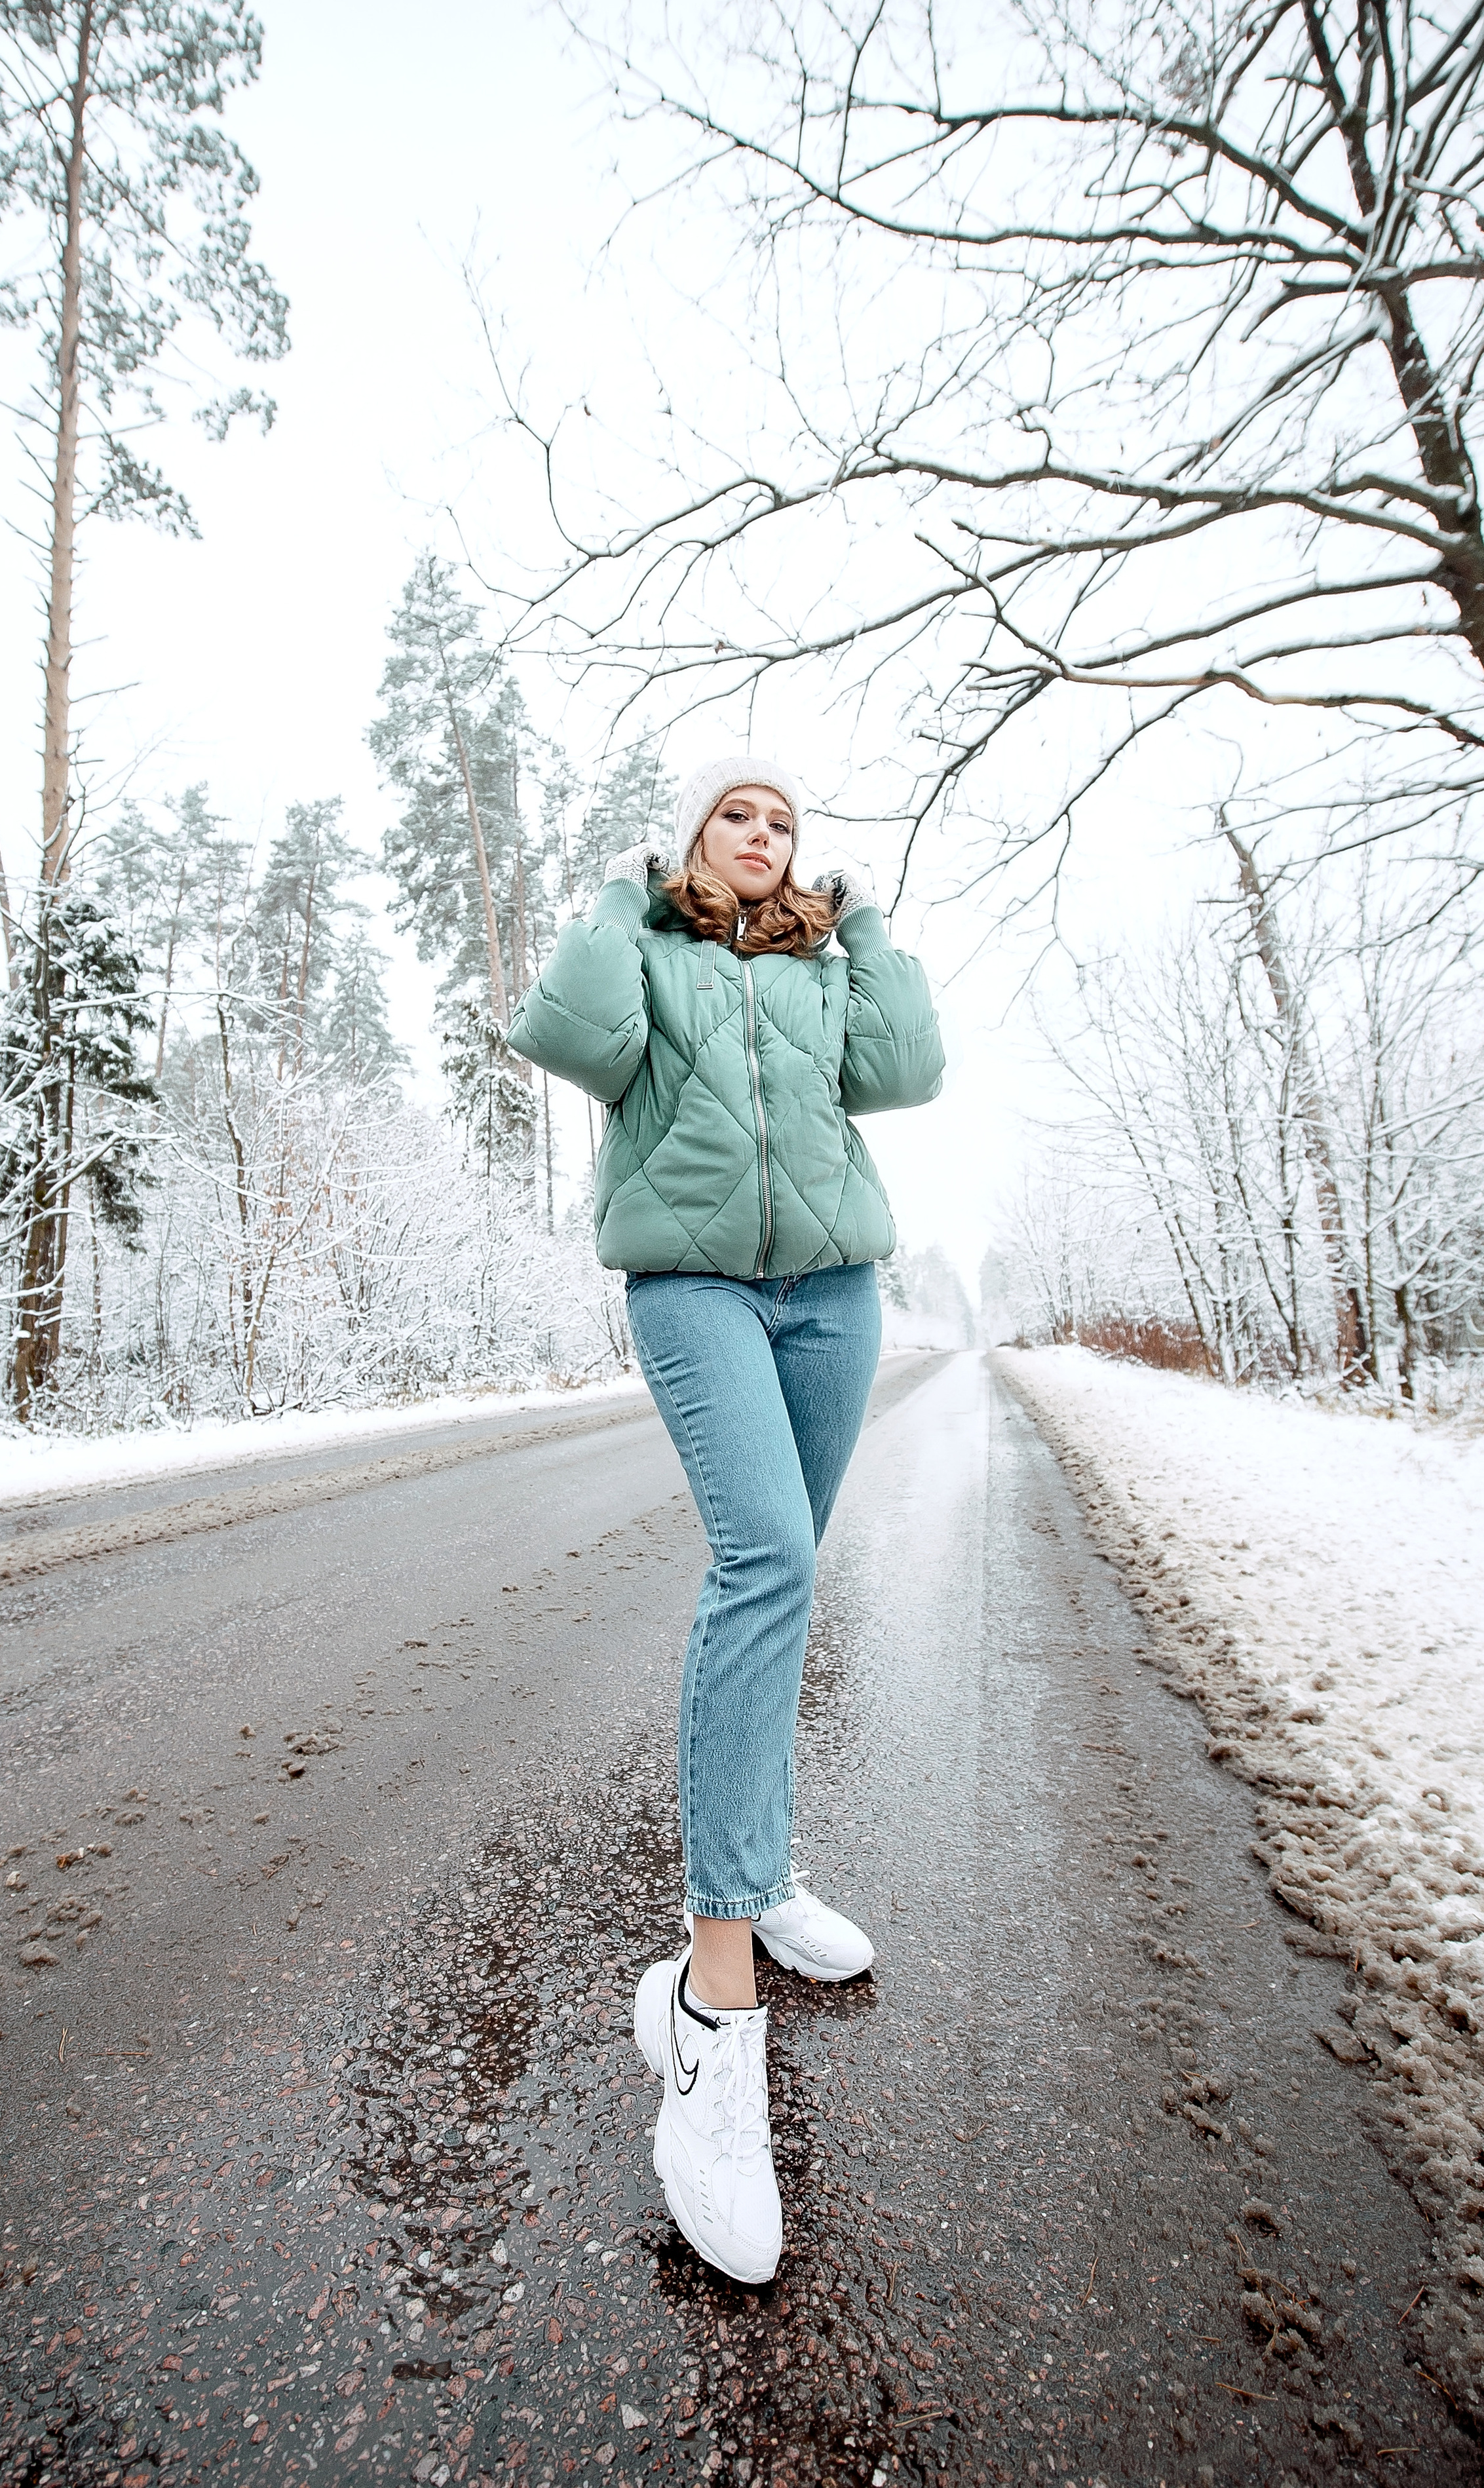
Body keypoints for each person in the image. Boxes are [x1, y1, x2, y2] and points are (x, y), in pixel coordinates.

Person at [506, 755, 944, 2282]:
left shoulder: (820, 968)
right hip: (691, 1287)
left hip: (832, 1293)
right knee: (760, 1563)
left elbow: (904, 1074)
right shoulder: (644, 949)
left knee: (791, 1571)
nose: (764, 839)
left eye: (785, 823)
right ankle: (706, 2010)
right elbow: (560, 1035)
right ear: (692, 840)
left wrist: (867, 926)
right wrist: (622, 897)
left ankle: (758, 1876)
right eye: (735, 818)